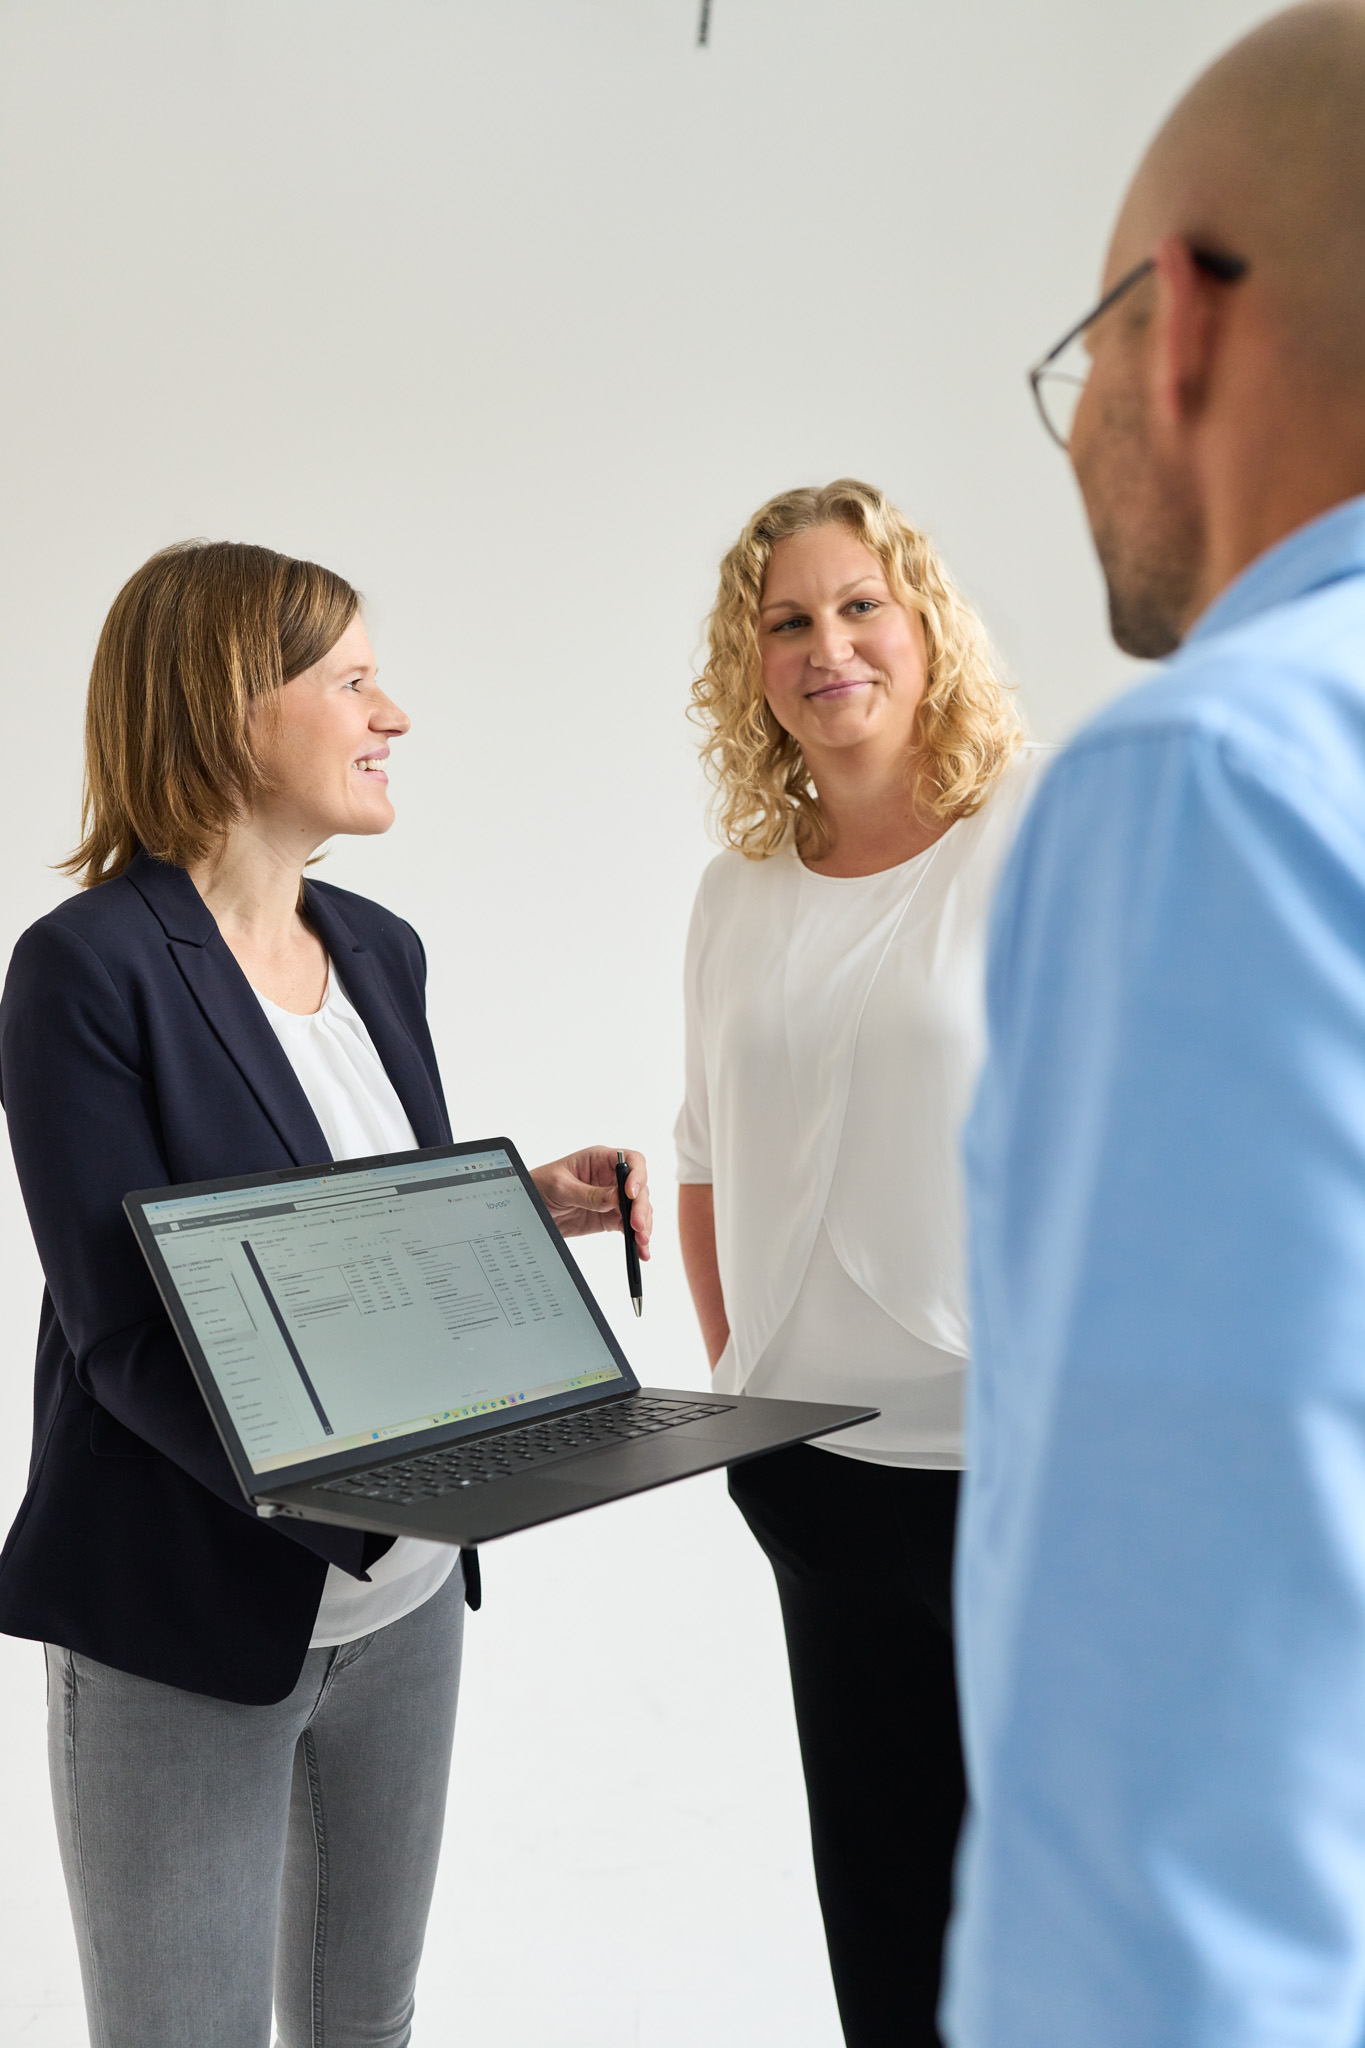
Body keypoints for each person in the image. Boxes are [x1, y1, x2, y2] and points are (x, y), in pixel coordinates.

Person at [0, 539, 652, 2048]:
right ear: (233, 705)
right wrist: (381, 1492)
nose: (394, 715)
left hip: (409, 1610)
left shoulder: (376, 949)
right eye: (353, 679)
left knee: (365, 2018)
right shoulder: (85, 970)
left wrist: (514, 1221)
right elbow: (121, 1339)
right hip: (186, 1606)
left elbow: (350, 1247)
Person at [945, 6, 1365, 2044]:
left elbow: (1167, 1800)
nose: (1084, 418)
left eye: (1083, 354)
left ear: (1177, 322)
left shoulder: (1215, 780)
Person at [675, 479, 1048, 2047]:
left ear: (922, 625)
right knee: (886, 1936)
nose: (825, 647)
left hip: (1010, 1476)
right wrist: (740, 1390)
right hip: (810, 1476)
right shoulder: (734, 893)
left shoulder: (1024, 841)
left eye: (855, 607)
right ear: (749, 664)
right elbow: (698, 1158)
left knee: (1049, 1936)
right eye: (785, 622)